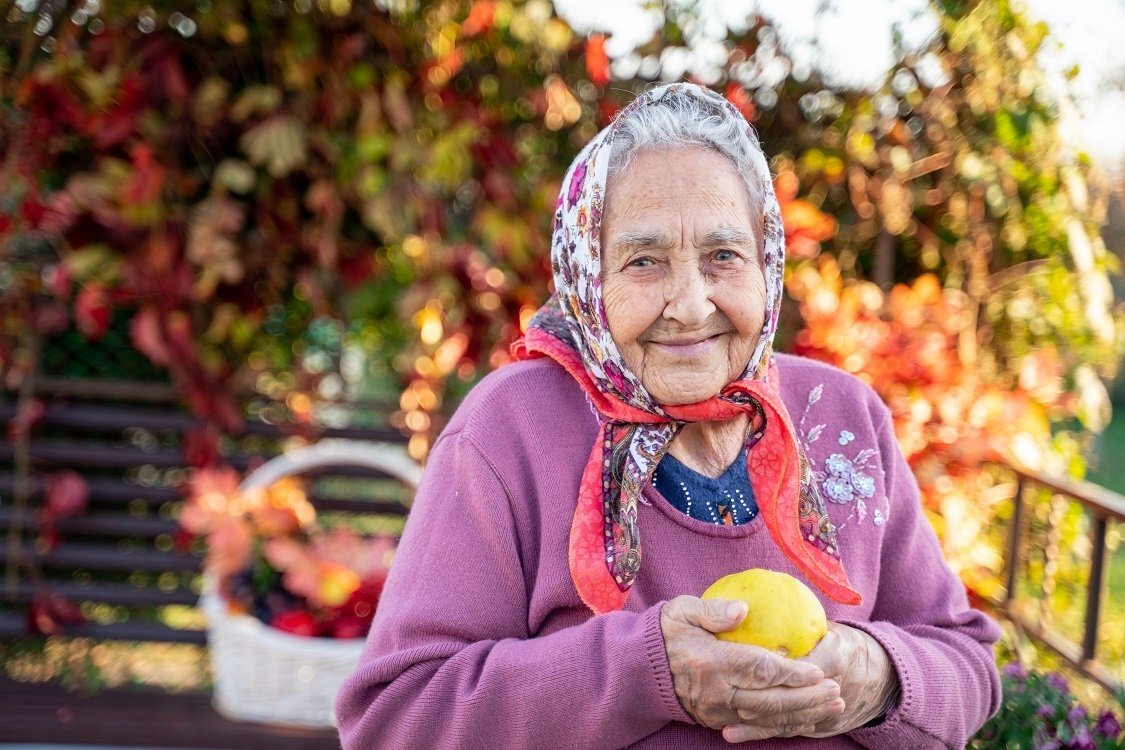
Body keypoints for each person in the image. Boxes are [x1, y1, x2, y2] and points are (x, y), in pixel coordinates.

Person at [336, 83, 1001, 749]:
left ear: (765, 264)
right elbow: (396, 717)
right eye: (644, 261)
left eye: (722, 256)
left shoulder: (842, 414)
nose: (688, 304)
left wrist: (877, 677)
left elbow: (966, 662)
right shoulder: (512, 428)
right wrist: (645, 673)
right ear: (587, 278)